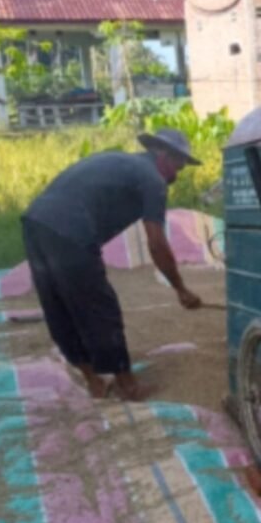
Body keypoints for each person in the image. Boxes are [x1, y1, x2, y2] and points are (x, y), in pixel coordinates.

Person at [20, 127, 203, 402]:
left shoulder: (125, 164)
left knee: (59, 305)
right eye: (179, 163)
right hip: (70, 228)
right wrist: (180, 289)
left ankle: (94, 381)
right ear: (163, 155)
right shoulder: (152, 179)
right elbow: (156, 242)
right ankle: (128, 387)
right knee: (100, 308)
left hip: (35, 222)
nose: (179, 172)